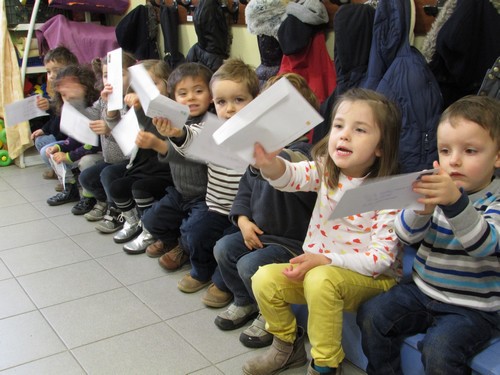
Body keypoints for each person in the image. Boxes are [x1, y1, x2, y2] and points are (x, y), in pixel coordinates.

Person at [243, 88, 404, 375]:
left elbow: (381, 260)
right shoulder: (328, 172)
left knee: (320, 279)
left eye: (360, 130)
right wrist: (269, 164)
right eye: (339, 126)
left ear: (381, 147)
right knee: (264, 279)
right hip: (323, 272)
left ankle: (326, 365)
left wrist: (326, 260)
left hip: (373, 279)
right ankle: (286, 347)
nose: (343, 135)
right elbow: (291, 176)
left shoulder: (388, 192)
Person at [356, 95, 500, 375]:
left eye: (470, 151)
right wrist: (420, 211)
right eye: (445, 151)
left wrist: (456, 203)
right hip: (423, 291)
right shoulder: (435, 188)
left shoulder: (495, 200)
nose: (454, 161)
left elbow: (483, 245)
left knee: (439, 349)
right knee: (372, 315)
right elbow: (405, 236)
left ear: (496, 156)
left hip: (474, 307)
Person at [212, 73, 318, 348]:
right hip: (260, 232)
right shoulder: (258, 156)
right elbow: (245, 190)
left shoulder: (305, 154)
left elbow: (292, 164)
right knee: (224, 248)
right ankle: (245, 300)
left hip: (292, 243)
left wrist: (270, 160)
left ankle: (269, 314)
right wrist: (243, 220)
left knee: (250, 265)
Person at [152, 58, 259, 297]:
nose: (229, 108)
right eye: (221, 102)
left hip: (244, 215)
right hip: (215, 207)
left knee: (228, 250)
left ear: (255, 101)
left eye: (238, 100)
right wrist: (177, 133)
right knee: (194, 232)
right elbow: (191, 136)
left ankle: (224, 282)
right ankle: (202, 270)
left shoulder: (259, 137)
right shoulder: (214, 131)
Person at [94, 60, 174, 248]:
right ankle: (133, 221)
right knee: (117, 187)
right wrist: (112, 107)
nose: (148, 92)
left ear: (167, 84)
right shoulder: (139, 108)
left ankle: (149, 229)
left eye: (154, 84)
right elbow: (121, 134)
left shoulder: (171, 109)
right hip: (141, 166)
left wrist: (139, 108)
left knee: (140, 188)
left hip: (164, 170)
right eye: (142, 87)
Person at [75, 52, 136, 219]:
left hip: (129, 161)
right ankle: (106, 201)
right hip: (110, 159)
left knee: (107, 174)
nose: (111, 81)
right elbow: (89, 115)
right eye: (106, 75)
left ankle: (116, 209)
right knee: (86, 177)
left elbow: (133, 137)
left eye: (119, 75)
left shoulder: (133, 101)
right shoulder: (105, 99)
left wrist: (110, 129)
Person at [45, 64, 103, 206]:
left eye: (71, 91)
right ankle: (70, 189)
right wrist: (59, 148)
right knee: (51, 152)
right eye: (63, 95)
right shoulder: (71, 109)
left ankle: (88, 196)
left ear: (85, 87)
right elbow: (73, 139)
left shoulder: (94, 107)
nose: (67, 97)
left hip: (99, 153)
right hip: (84, 150)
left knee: (86, 161)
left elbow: (93, 144)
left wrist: (69, 156)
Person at [31, 46, 78, 183]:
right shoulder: (57, 90)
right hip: (63, 135)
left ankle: (70, 178)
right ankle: (59, 171)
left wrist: (50, 108)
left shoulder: (73, 91)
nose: (51, 75)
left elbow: (63, 120)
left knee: (46, 149)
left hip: (73, 139)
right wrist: (44, 127)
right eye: (48, 71)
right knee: (40, 140)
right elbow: (57, 115)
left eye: (56, 71)